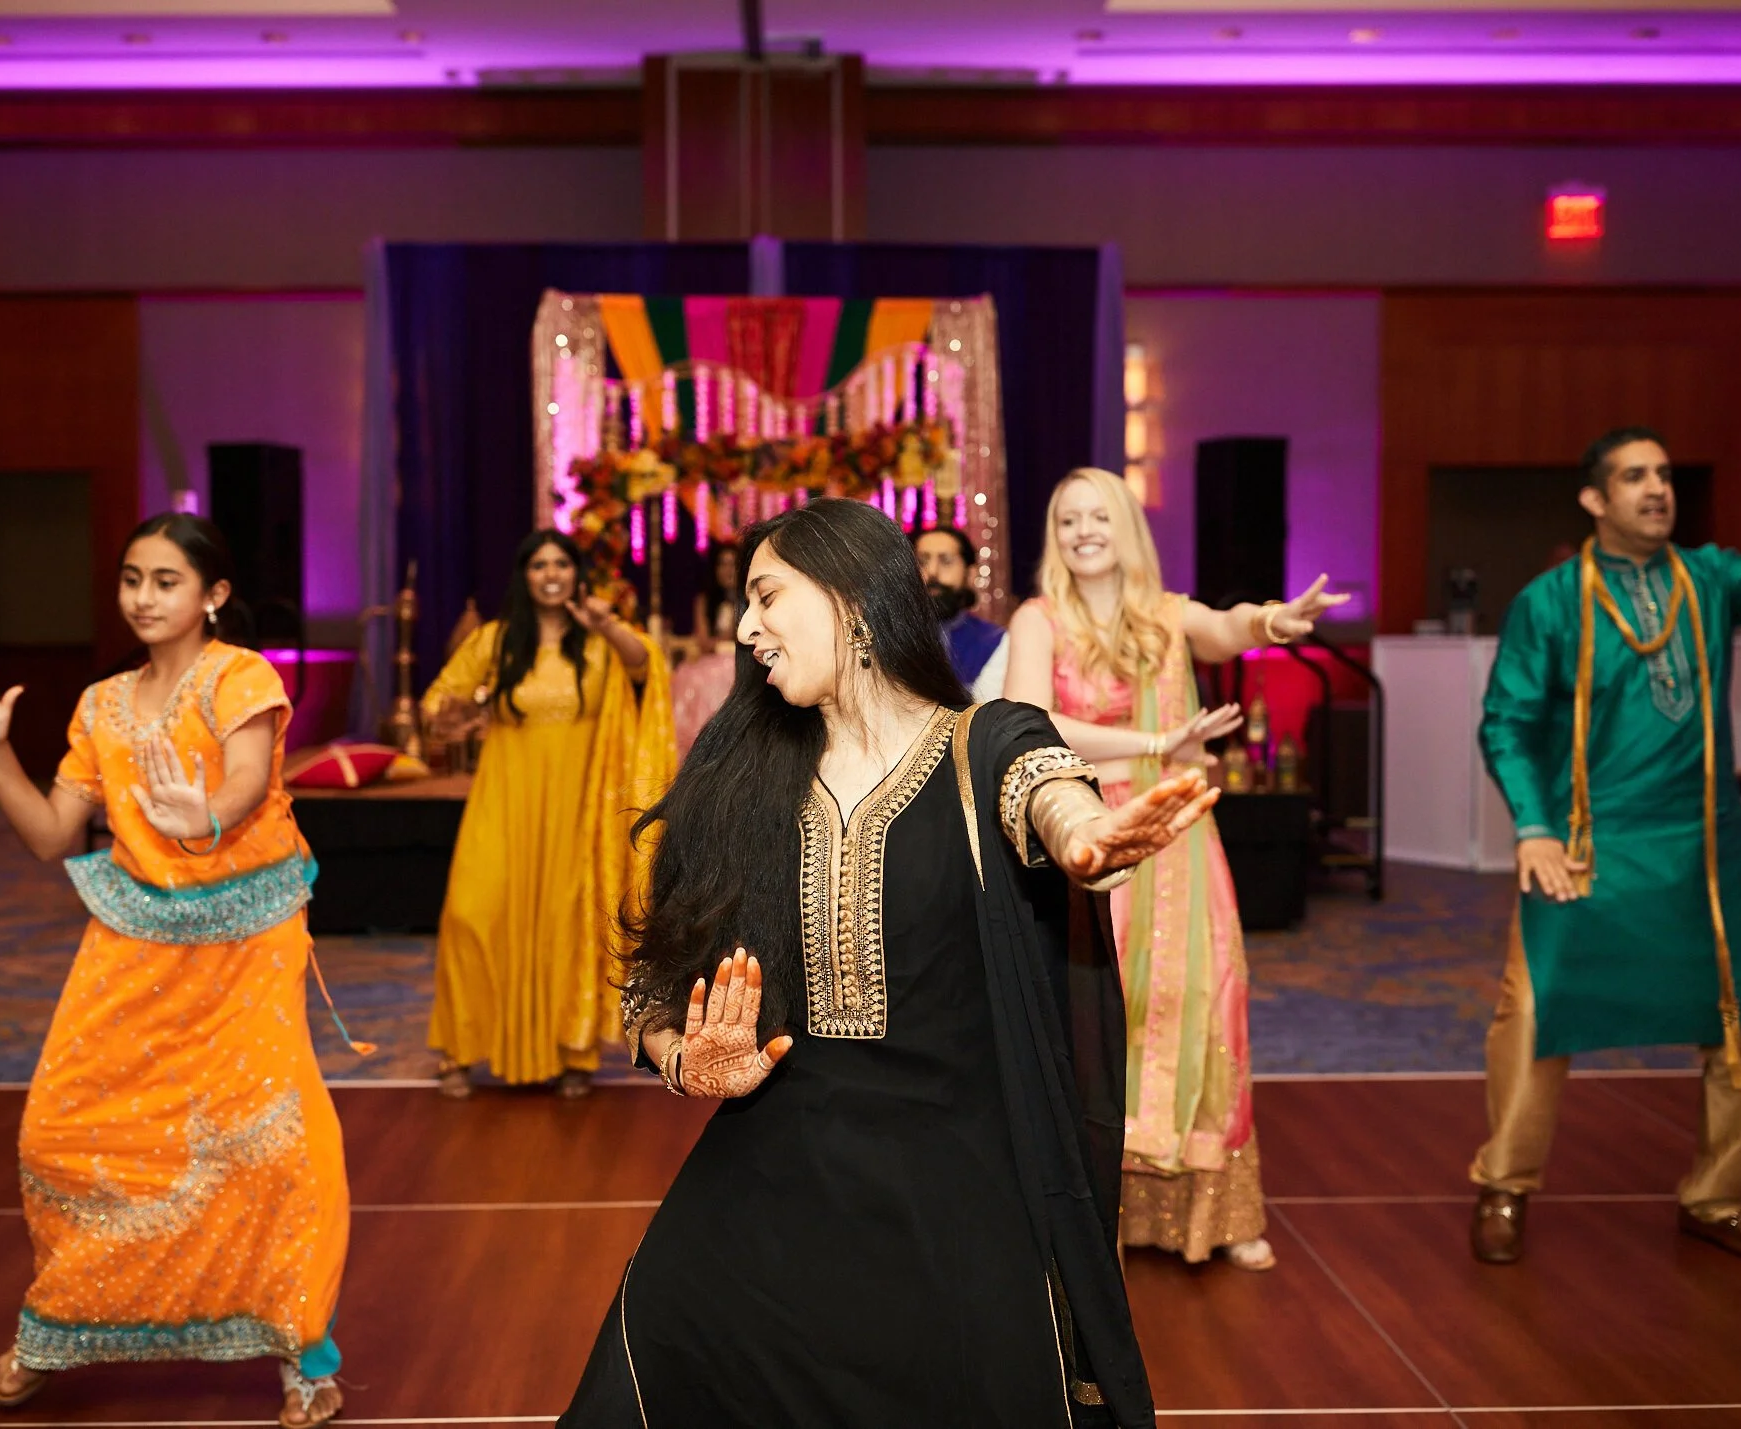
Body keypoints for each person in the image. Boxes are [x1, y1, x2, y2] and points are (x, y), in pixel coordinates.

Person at [560, 498, 1218, 1428]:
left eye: (766, 596)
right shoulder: (741, 769)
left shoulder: (982, 743)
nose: (745, 628)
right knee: (656, 1353)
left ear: (852, 597)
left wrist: (1087, 838)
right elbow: (654, 978)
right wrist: (680, 1059)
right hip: (777, 1159)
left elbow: (1044, 787)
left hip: (959, 1180)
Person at [0, 513, 351, 1428]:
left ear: (214, 595)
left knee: (271, 1142)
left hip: (247, 945)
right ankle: (60, 1324)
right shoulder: (100, 704)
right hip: (132, 943)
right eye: (132, 578)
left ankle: (300, 1352)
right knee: (59, 1132)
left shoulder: (240, 676)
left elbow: (247, 779)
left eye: (166, 580)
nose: (143, 596)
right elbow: (51, 834)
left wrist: (204, 812)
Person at [1471, 426, 1741, 1267]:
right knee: (1534, 1011)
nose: (1657, 488)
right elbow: (1507, 721)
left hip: (1703, 850)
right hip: (1587, 845)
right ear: (1594, 498)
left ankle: (1717, 1197)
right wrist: (1535, 827)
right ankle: (1505, 1184)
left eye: (1663, 474)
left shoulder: (1709, 575)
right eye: (1634, 476)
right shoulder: (1550, 601)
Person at [1003, 466, 1348, 1272]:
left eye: (1099, 516)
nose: (1084, 531)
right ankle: (1088, 1215)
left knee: (1201, 998)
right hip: (1087, 833)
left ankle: (1213, 1211)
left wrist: (1274, 619)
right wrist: (1156, 743)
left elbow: (1225, 629)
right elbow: (1025, 721)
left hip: (1178, 835)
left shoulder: (1165, 615)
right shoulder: (1037, 619)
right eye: (1068, 520)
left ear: (1127, 527)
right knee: (1097, 1013)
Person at [424, 530, 675, 1098]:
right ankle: (460, 1048)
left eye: (561, 563)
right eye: (539, 565)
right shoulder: (495, 640)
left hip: (575, 810)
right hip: (503, 801)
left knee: (566, 925)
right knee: (472, 914)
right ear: (524, 576)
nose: (551, 574)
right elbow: (438, 700)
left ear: (576, 574)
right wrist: (454, 711)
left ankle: (572, 1052)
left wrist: (606, 624)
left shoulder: (598, 643)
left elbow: (645, 667)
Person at [914, 525, 1009, 700]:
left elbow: (987, 710)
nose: (932, 572)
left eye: (946, 561)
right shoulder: (889, 636)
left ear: (970, 574)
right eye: (922, 561)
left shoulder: (994, 641)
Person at [672, 541, 742, 756]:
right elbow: (703, 640)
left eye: (732, 564)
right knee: (694, 679)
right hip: (712, 661)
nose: (728, 570)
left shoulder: (748, 598)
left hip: (740, 658)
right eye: (722, 564)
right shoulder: (705, 600)